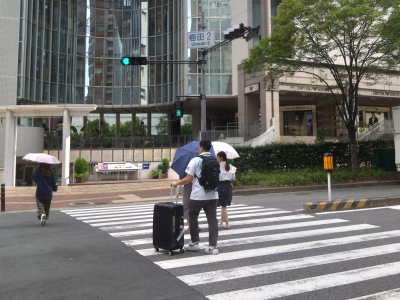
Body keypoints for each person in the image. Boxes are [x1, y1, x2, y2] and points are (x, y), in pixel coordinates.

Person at [171, 139, 219, 255]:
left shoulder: (195, 160)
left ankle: (194, 243)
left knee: (193, 216)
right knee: (212, 220)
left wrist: (176, 183)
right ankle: (213, 247)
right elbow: (219, 177)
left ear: (201, 148)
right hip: (213, 195)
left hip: (198, 196)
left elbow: (188, 179)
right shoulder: (215, 160)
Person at [217, 151, 236, 229]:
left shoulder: (217, 167)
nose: (217, 159)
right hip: (228, 185)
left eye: (217, 157)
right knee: (223, 204)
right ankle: (221, 220)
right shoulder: (231, 166)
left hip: (220, 186)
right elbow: (233, 178)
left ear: (221, 157)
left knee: (223, 205)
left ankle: (227, 223)